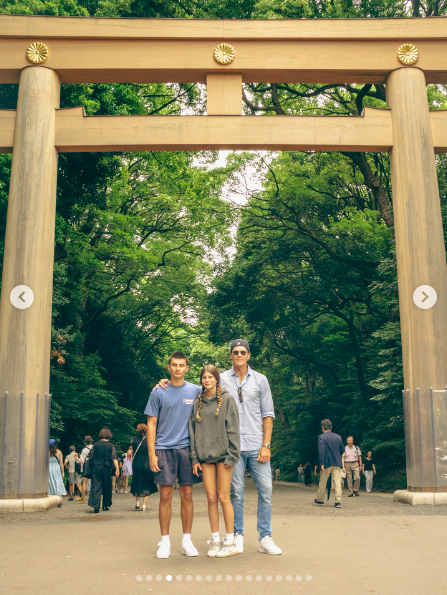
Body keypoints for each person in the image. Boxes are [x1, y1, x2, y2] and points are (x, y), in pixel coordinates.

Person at [156, 340, 282, 555]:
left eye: (243, 352)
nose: (239, 355)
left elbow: (267, 414)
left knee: (266, 491)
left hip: (254, 444)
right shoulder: (219, 379)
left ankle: (265, 536)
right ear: (230, 355)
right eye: (235, 352)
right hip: (225, 450)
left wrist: (266, 444)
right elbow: (191, 386)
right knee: (234, 494)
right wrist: (164, 382)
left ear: (248, 355)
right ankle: (236, 536)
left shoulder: (260, 380)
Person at [146, 352, 202, 559]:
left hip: (188, 449)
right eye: (174, 365)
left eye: (181, 365)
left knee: (187, 495)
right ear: (168, 367)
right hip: (164, 448)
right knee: (165, 496)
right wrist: (152, 454)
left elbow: (216, 388)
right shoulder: (158, 392)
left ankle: (187, 540)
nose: (178, 368)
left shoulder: (196, 390)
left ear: (187, 368)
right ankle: (165, 541)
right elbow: (151, 423)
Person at [189, 365, 240, 558]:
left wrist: (232, 455)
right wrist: (194, 458)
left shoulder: (227, 399)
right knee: (211, 498)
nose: (207, 380)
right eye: (204, 377)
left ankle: (230, 540)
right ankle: (215, 539)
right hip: (204, 457)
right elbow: (191, 432)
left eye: (210, 377)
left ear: (217, 379)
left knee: (223, 497)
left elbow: (234, 429)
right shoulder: (197, 402)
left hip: (224, 456)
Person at [314, 419, 345, 508]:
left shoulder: (321, 437)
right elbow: (342, 449)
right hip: (337, 462)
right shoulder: (338, 437)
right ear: (331, 427)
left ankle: (320, 499)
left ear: (322, 427)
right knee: (337, 482)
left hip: (327, 462)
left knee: (323, 481)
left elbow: (321, 451)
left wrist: (322, 463)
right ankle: (338, 501)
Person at [88, 428, 119, 513]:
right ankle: (106, 505)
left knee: (96, 485)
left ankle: (96, 505)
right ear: (109, 435)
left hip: (96, 466)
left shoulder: (95, 445)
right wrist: (117, 469)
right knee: (107, 486)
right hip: (106, 467)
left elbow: (90, 456)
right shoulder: (111, 445)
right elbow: (114, 457)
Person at [129, 423, 157, 511]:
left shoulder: (133, 440)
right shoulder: (150, 440)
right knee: (147, 482)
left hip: (136, 463)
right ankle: (144, 504)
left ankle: (137, 502)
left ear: (137, 430)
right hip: (146, 462)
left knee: (136, 480)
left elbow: (129, 453)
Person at [78, 435, 93, 502]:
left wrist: (76, 458)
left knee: (84, 483)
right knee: (93, 482)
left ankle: (82, 497)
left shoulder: (84, 450)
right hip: (93, 467)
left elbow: (81, 460)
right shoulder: (94, 448)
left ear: (85, 442)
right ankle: (93, 496)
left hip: (86, 468)